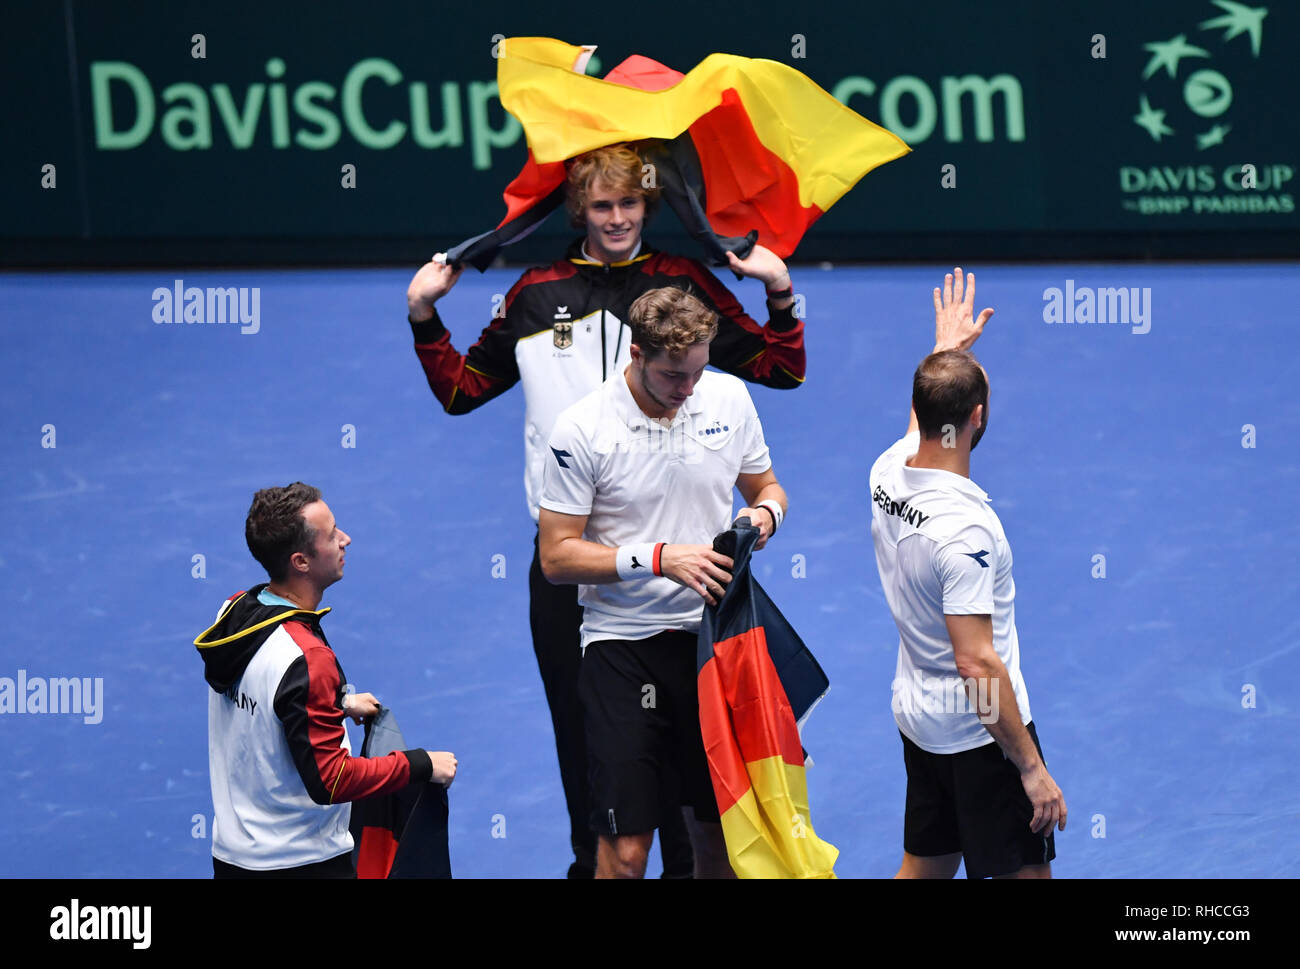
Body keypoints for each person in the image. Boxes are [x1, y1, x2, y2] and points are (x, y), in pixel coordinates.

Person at [405, 143, 805, 878]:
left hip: (689, 576)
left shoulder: (681, 288)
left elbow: (776, 367)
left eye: (630, 204)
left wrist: (779, 292)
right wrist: (425, 314)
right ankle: (594, 863)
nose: (618, 218)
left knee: (694, 758)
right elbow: (462, 390)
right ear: (578, 211)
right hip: (570, 562)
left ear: (647, 206)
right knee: (585, 734)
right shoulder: (533, 293)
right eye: (602, 205)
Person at [537, 286, 789, 879]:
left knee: (720, 843)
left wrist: (764, 517)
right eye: (674, 375)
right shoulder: (581, 429)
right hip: (622, 649)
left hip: (713, 643)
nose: (689, 390)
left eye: (699, 371)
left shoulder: (728, 397)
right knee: (626, 855)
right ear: (636, 354)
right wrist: (656, 558)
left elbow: (768, 488)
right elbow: (555, 556)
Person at [868, 268, 1066, 879]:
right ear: (977, 418)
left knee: (925, 866)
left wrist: (944, 352)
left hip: (920, 721)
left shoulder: (886, 470)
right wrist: (1029, 768)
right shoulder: (967, 533)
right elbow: (976, 663)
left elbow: (925, 413)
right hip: (980, 737)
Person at [194, 482, 457, 878]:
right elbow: (331, 779)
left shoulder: (235, 614)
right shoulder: (308, 659)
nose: (345, 540)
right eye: (332, 534)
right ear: (301, 561)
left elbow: (266, 700)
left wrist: (337, 704)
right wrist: (420, 764)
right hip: (302, 865)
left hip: (233, 859)